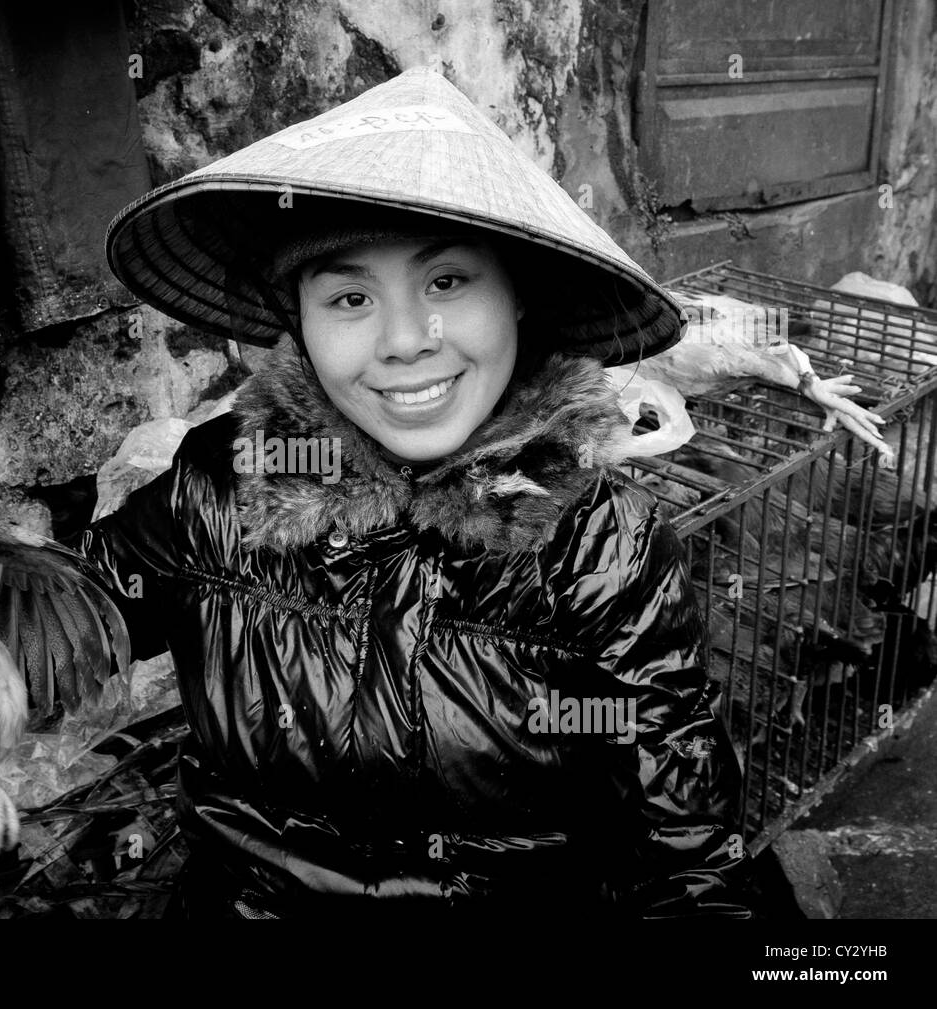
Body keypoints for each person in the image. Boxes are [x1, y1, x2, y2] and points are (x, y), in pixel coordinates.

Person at [69, 66, 756, 918]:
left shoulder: (597, 549)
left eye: (446, 283)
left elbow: (681, 843)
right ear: (302, 326)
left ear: (518, 301)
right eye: (351, 297)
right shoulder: (228, 482)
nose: (403, 341)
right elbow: (61, 624)